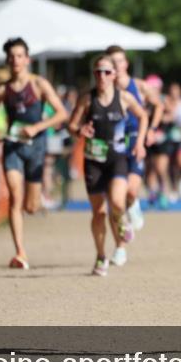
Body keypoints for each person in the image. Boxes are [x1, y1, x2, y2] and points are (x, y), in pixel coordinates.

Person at [0, 38, 68, 270]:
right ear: (7, 60)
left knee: (31, 206)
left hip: (36, 147)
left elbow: (62, 114)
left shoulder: (39, 85)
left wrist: (37, 127)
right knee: (15, 197)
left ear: (27, 59)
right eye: (11, 57)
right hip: (12, 146)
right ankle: (20, 253)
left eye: (20, 56)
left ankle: (35, 204)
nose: (15, 60)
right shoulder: (1, 90)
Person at [67, 55, 148, 274]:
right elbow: (71, 125)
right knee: (99, 212)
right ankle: (101, 256)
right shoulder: (87, 99)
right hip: (93, 160)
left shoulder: (124, 98)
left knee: (117, 202)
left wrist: (140, 143)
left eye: (107, 72)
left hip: (117, 158)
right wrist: (78, 130)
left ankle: (123, 221)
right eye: (98, 72)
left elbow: (143, 116)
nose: (102, 76)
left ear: (114, 74)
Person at [106, 46, 160, 232]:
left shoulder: (139, 85)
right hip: (114, 142)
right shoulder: (107, 88)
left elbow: (158, 105)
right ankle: (124, 216)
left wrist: (152, 129)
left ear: (126, 63)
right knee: (116, 191)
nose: (117, 65)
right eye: (112, 62)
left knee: (131, 189)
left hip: (136, 139)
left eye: (120, 61)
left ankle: (133, 203)